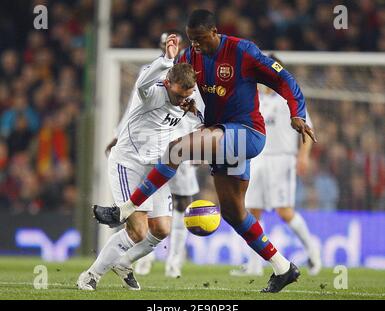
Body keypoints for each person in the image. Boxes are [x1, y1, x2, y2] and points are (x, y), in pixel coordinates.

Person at [94, 9, 317, 293]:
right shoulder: (190, 57)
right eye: (191, 40)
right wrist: (186, 106)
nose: (195, 45)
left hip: (246, 134)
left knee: (177, 149)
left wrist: (296, 112)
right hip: (221, 138)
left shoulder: (242, 51)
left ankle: (125, 208)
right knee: (234, 213)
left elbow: (285, 79)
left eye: (200, 39)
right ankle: (283, 267)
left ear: (214, 32)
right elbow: (177, 92)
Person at [77, 34, 205, 291]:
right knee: (137, 230)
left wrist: (196, 114)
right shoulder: (152, 92)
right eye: (180, 93)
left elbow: (199, 125)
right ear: (169, 83)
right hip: (128, 164)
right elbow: (143, 82)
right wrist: (167, 59)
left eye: (188, 94)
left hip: (155, 170)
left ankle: (123, 263)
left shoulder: (187, 103)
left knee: (162, 229)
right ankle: (90, 276)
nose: (183, 99)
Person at [230, 56, 322, 277]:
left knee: (285, 212)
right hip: (257, 157)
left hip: (282, 159)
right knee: (252, 211)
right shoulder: (255, 96)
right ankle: (253, 265)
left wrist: (303, 155)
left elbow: (307, 129)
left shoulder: (288, 96)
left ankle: (313, 252)